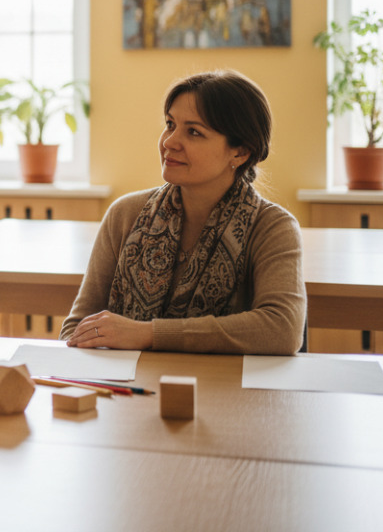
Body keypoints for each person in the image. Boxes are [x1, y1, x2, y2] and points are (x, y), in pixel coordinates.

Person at [60, 70, 305, 355]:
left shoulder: (273, 227)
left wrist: (148, 334)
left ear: (240, 152)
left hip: (223, 383)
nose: (169, 142)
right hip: (128, 382)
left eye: (193, 132)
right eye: (170, 125)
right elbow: (77, 329)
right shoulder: (125, 214)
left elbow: (282, 328)